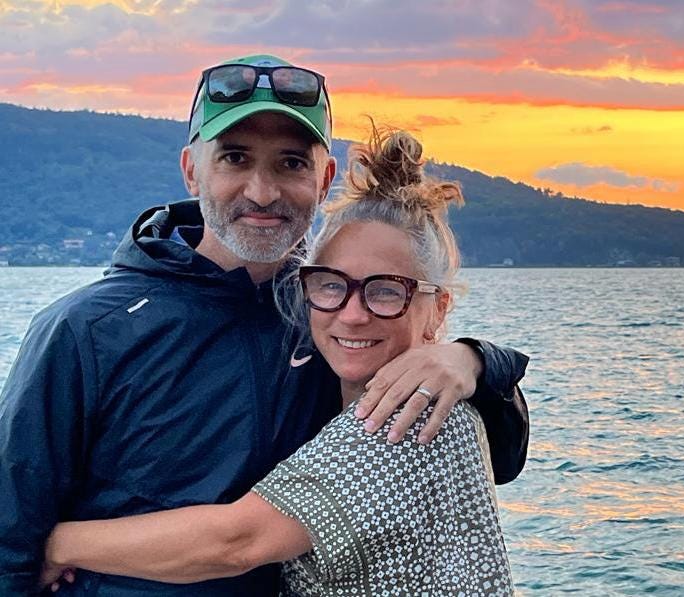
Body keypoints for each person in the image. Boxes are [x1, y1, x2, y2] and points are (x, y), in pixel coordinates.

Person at [0, 55, 529, 596]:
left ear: (323, 179)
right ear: (191, 169)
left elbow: (500, 456)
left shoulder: (330, 319)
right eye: (234, 158)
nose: (262, 191)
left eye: (291, 164)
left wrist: (472, 358)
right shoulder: (88, 330)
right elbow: (10, 535)